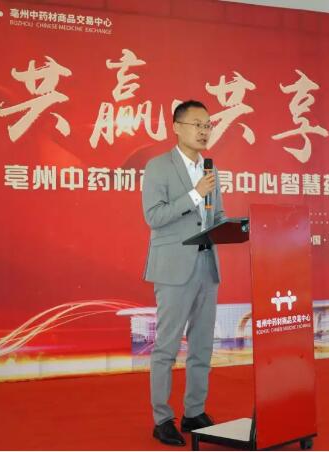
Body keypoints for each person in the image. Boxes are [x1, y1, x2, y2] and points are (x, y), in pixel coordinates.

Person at [142, 100, 225, 446]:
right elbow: (154, 216)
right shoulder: (158, 167)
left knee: (202, 345)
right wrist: (194, 194)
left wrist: (234, 226)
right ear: (176, 127)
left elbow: (216, 215)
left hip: (207, 264)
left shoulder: (210, 168)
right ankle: (162, 419)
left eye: (208, 125)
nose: (204, 131)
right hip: (173, 268)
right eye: (197, 124)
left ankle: (194, 411)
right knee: (167, 347)